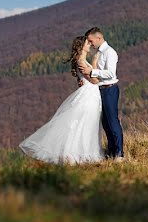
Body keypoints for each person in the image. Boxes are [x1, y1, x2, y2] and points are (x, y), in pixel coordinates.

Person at [18, 36, 104, 164]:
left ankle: (82, 154)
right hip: (88, 96)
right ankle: (76, 155)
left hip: (90, 95)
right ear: (81, 46)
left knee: (87, 125)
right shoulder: (81, 61)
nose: (90, 45)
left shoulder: (81, 60)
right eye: (87, 43)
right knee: (83, 124)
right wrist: (95, 63)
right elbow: (95, 80)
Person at [79, 26, 124, 160]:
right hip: (100, 90)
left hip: (109, 89)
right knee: (105, 123)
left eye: (91, 41)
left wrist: (92, 72)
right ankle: (111, 152)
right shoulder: (99, 53)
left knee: (112, 121)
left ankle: (119, 154)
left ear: (99, 38)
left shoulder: (110, 52)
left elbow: (111, 73)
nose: (90, 44)